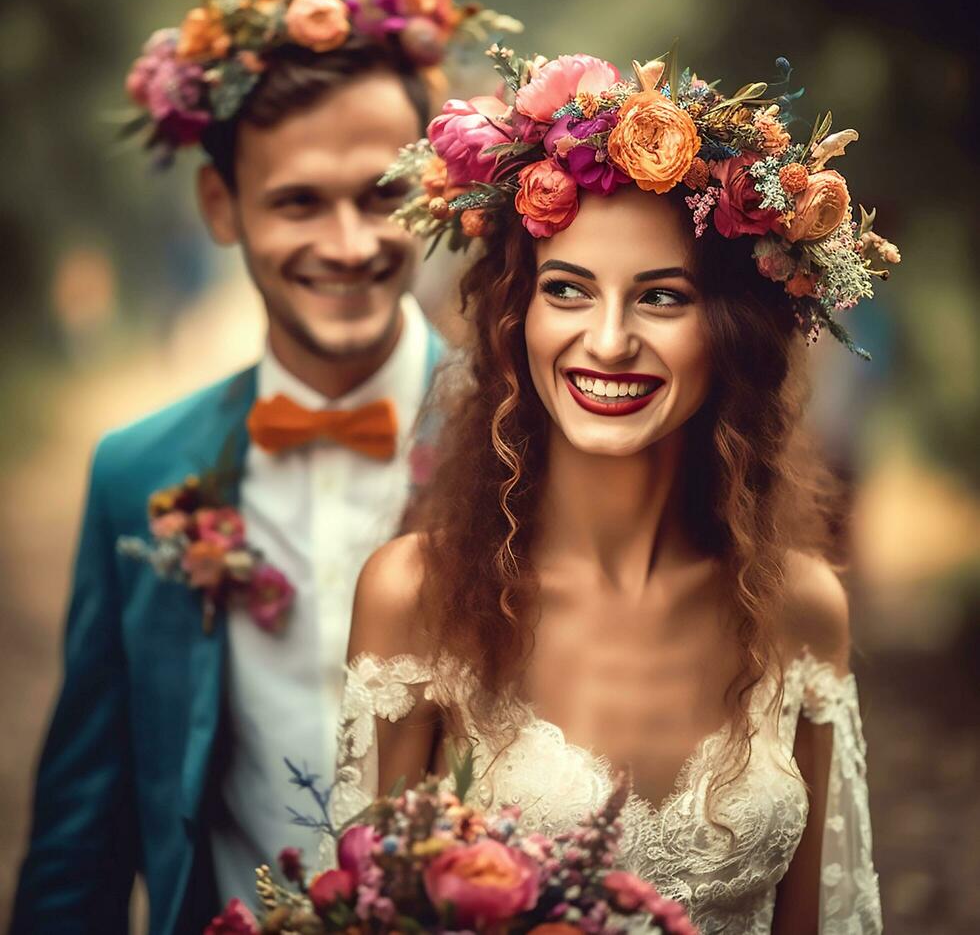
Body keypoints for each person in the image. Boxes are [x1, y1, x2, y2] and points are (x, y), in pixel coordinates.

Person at [330, 47, 898, 932]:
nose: (606, 340)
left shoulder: (804, 608)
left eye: (661, 298)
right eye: (567, 289)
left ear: (733, 334)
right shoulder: (416, 598)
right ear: (518, 320)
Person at [11, 0, 517, 935]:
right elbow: (82, 832)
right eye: (296, 203)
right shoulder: (137, 476)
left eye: (378, 194)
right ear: (220, 205)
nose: (346, 241)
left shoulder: (521, 439)